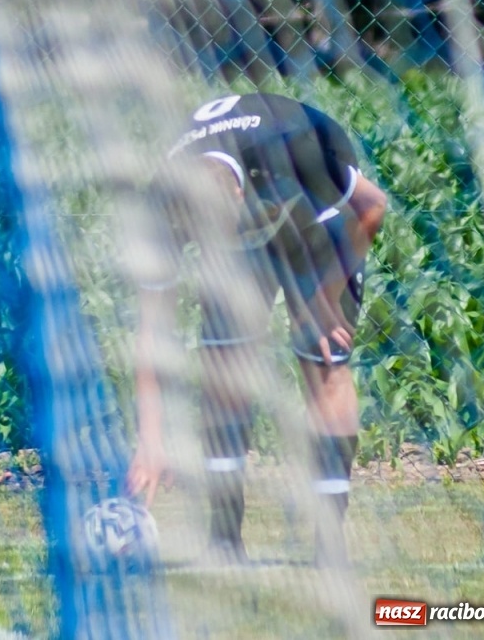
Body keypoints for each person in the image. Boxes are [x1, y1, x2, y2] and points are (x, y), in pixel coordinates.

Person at [126, 92, 388, 566]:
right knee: (225, 369)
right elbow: (153, 331)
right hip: (251, 237)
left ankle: (328, 548)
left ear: (238, 193)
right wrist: (150, 438)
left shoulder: (297, 150)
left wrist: (325, 296)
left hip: (316, 222)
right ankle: (224, 542)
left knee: (323, 360)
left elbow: (372, 207)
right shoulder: (161, 207)